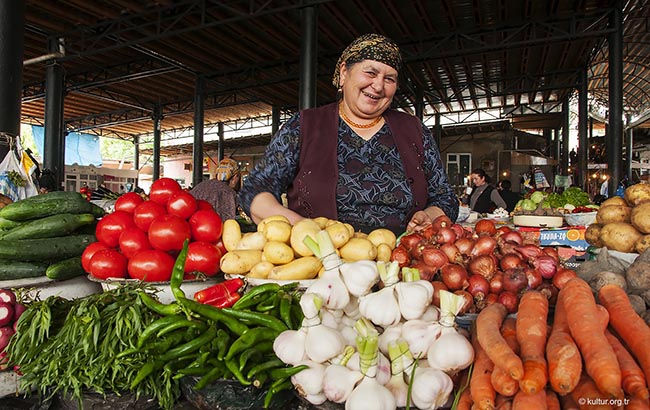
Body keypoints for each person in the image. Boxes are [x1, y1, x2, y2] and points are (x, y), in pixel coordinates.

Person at [238, 33, 458, 235]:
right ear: (344, 73)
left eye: (389, 79)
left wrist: (429, 216)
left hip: (401, 259)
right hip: (321, 264)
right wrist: (304, 229)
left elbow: (445, 197)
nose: (379, 85)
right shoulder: (304, 126)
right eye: (370, 73)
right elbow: (256, 189)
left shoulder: (415, 130)